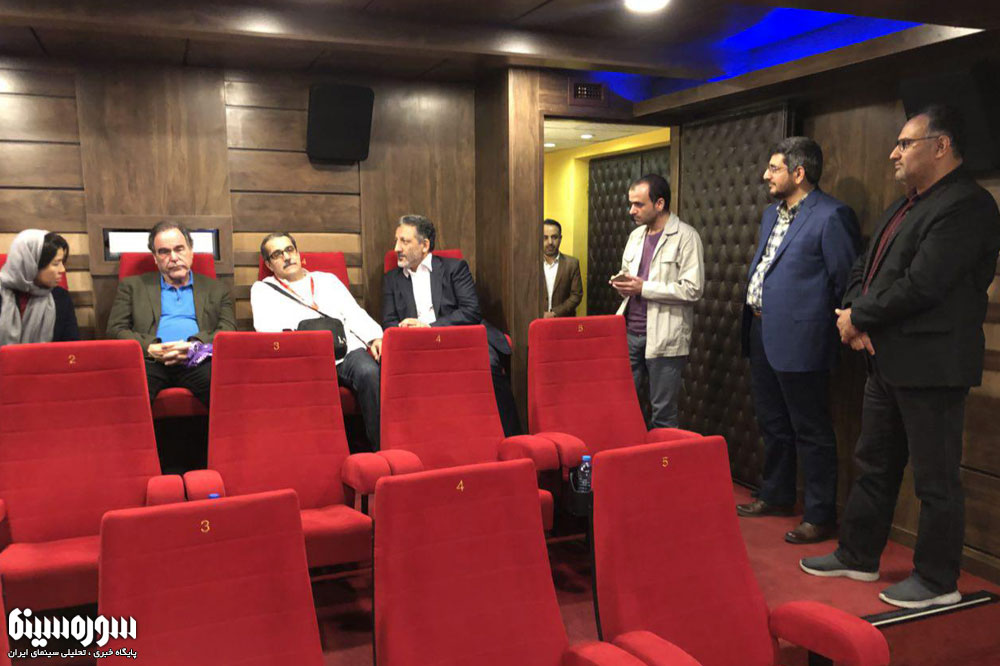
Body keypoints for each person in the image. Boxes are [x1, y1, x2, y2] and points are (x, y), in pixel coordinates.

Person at [801, 105, 1000, 609]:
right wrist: (852, 312)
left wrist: (859, 317)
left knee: (935, 479)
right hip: (886, 358)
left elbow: (924, 284)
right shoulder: (904, 204)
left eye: (905, 143)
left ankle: (936, 580)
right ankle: (858, 554)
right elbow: (862, 268)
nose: (894, 152)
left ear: (941, 146)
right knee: (874, 464)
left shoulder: (968, 205)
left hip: (933, 364)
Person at [736, 137, 860, 546]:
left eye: (774, 168)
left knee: (811, 429)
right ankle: (776, 494)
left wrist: (843, 326)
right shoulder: (771, 214)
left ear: (799, 172)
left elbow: (846, 280)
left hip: (804, 338)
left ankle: (820, 516)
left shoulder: (832, 215)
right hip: (760, 329)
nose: (765, 175)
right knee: (772, 422)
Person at [383, 214, 521, 436]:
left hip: (459, 338)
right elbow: (389, 321)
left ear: (424, 245)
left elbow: (471, 311)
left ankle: (513, 437)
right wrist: (407, 331)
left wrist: (429, 327)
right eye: (396, 240)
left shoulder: (454, 268)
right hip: (417, 346)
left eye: (404, 241)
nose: (396, 248)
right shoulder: (392, 279)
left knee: (488, 363)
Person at [251, 232, 383, 449]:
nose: (286, 257)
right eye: (277, 254)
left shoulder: (327, 280)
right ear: (268, 264)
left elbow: (353, 312)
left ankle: (382, 450)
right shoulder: (263, 290)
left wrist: (375, 337)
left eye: (289, 250)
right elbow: (266, 329)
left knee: (370, 373)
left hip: (346, 350)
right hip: (303, 359)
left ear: (297, 252)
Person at [107, 221, 235, 408]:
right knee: (130, 392)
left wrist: (194, 347)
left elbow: (228, 331)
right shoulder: (132, 286)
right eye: (164, 252)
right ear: (155, 258)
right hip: (151, 361)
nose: (173, 257)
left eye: (179, 249)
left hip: (198, 361)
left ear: (191, 251)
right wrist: (150, 348)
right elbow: (115, 330)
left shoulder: (216, 289)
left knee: (224, 389)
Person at [612, 174, 703, 429]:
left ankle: (664, 455)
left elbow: (693, 289)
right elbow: (630, 276)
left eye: (638, 204)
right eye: (631, 204)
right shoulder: (635, 236)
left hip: (665, 338)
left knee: (663, 414)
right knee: (624, 408)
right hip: (630, 334)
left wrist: (644, 287)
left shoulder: (686, 236)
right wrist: (623, 284)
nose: (632, 210)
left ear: (660, 203)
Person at [0, 229, 79, 347]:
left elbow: (71, 348)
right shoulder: (2, 295)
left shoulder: (61, 298)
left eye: (62, 263)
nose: (62, 270)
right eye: (56, 264)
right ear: (31, 264)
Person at [540, 219, 583, 318]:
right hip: (537, 321)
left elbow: (576, 295)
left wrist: (555, 313)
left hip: (563, 321)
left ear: (560, 238)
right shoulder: (532, 265)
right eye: (545, 237)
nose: (550, 242)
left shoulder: (572, 264)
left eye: (554, 237)